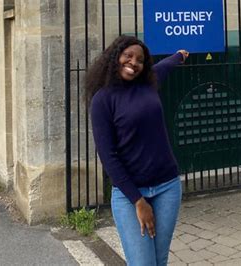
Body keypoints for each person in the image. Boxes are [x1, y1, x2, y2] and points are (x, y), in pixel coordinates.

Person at [85, 35, 189, 266]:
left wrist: (179, 56)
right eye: (128, 56)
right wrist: (138, 201)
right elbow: (108, 157)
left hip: (167, 187)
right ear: (115, 57)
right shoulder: (103, 100)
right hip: (129, 195)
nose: (134, 62)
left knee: (159, 260)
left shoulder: (148, 84)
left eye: (140, 60)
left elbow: (165, 66)